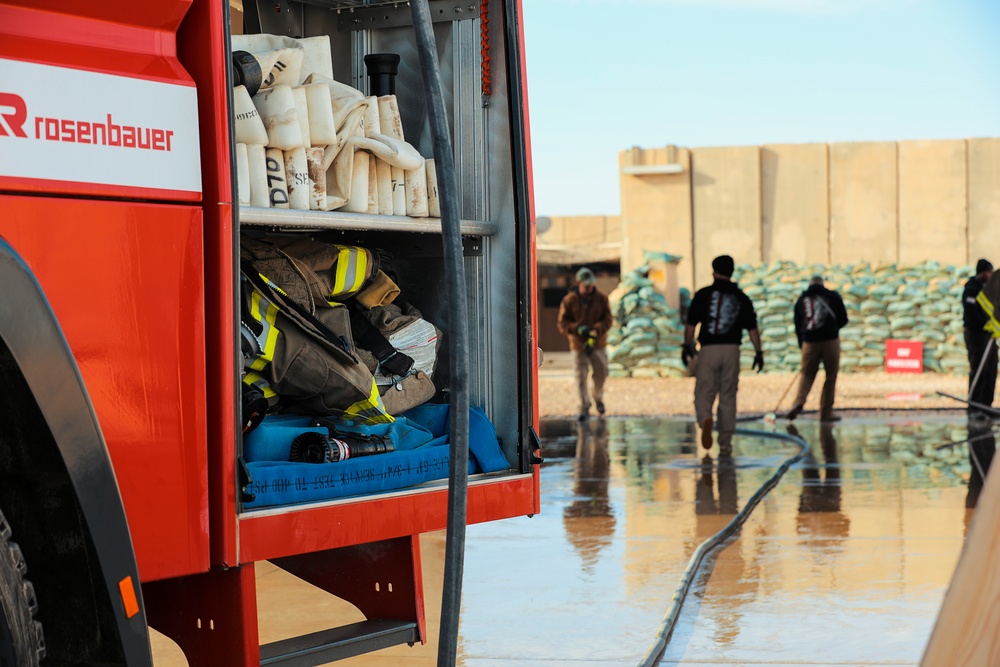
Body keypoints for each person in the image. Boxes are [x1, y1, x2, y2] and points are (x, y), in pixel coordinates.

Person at [682, 255, 763, 453]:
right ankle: (725, 442)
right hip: (731, 349)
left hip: (708, 349)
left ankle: (705, 419)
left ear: (713, 271)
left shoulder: (703, 294)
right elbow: (752, 329)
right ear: (732, 271)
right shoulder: (741, 297)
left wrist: (686, 345)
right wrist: (758, 351)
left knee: (704, 390)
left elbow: (691, 325)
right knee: (728, 394)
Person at [786, 275, 849, 422]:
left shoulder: (802, 300)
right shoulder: (832, 296)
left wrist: (802, 343)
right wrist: (832, 329)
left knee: (807, 374)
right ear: (822, 283)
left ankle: (799, 402)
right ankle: (826, 412)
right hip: (830, 340)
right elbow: (843, 318)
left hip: (810, 342)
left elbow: (797, 324)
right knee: (830, 377)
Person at [558, 267, 613, 421]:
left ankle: (598, 397)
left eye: (591, 285)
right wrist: (577, 328)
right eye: (586, 285)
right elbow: (562, 323)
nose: (589, 288)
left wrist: (596, 330)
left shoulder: (602, 298)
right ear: (579, 283)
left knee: (601, 374)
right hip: (578, 345)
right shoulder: (569, 301)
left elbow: (608, 320)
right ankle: (584, 406)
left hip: (598, 344)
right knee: (580, 376)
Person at [962, 258, 997, 420]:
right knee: (979, 369)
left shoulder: (989, 290)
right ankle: (975, 406)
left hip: (989, 336)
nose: (990, 275)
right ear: (982, 273)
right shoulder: (971, 289)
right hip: (976, 335)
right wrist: (984, 325)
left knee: (990, 369)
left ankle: (986, 406)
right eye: (988, 272)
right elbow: (972, 314)